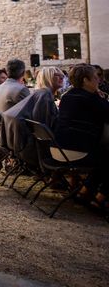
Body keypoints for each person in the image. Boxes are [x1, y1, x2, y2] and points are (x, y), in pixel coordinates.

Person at [55, 64, 109, 212]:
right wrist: (101, 98)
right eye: (96, 77)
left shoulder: (67, 96)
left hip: (59, 148)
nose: (99, 80)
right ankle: (100, 198)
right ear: (86, 80)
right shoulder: (91, 99)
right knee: (105, 157)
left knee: (104, 156)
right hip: (76, 152)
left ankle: (84, 192)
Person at [0, 67, 63, 170]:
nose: (61, 78)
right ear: (47, 78)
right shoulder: (45, 95)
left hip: (20, 143)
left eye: (62, 76)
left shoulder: (41, 92)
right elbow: (43, 127)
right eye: (57, 75)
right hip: (32, 148)